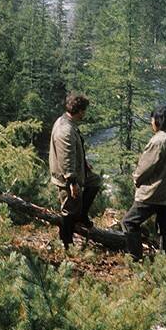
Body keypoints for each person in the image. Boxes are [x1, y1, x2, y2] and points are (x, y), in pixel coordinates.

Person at [122, 106, 166, 261]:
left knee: (129, 222)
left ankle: (135, 258)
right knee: (165, 228)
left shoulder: (158, 141)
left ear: (158, 121)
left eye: (152, 120)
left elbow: (145, 167)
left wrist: (136, 179)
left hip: (152, 192)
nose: (151, 123)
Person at [49, 94, 102, 250]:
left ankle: (81, 215)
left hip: (75, 171)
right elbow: (66, 159)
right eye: (84, 110)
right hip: (66, 177)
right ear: (79, 111)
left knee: (95, 181)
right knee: (69, 210)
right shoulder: (66, 129)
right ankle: (66, 243)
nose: (85, 114)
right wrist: (72, 182)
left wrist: (84, 163)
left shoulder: (67, 122)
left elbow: (73, 151)